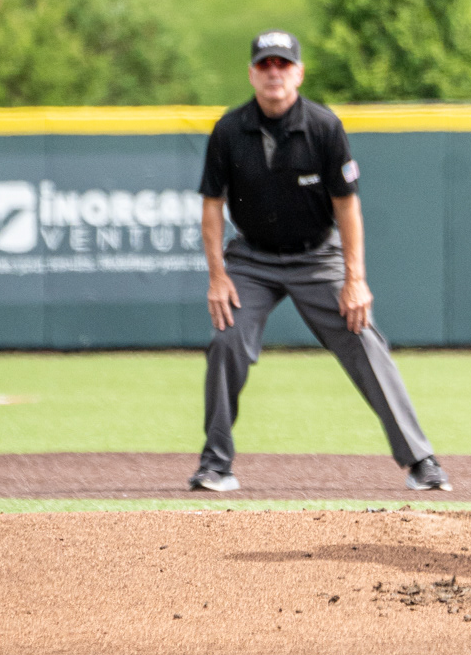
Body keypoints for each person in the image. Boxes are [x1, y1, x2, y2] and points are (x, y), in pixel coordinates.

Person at [189, 30, 451, 495]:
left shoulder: (323, 126)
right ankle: (215, 465)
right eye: (265, 65)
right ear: (251, 73)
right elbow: (212, 205)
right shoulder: (230, 130)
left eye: (283, 64)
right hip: (252, 259)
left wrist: (356, 279)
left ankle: (420, 460)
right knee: (226, 339)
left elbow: (347, 205)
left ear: (299, 72)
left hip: (317, 255)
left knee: (363, 338)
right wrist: (217, 276)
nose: (274, 73)